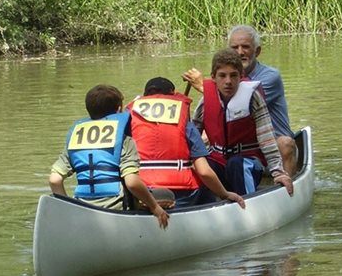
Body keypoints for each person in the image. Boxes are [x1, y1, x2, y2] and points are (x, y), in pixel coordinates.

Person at [48, 84, 169, 229]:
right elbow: (132, 183)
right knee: (168, 196)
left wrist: (68, 211)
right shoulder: (124, 141)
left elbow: (55, 180)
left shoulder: (76, 141)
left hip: (82, 206)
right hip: (116, 210)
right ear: (118, 109)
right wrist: (155, 208)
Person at [183, 25, 297, 176]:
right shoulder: (223, 81)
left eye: (246, 47)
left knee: (285, 143)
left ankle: (287, 189)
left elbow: (240, 103)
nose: (239, 52)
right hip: (240, 147)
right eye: (234, 47)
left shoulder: (270, 77)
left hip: (272, 148)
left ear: (257, 51)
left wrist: (203, 86)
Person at [127, 76, 245, 210]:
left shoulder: (129, 122)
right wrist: (224, 194)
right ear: (172, 95)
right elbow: (204, 171)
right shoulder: (185, 124)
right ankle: (209, 217)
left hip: (141, 189)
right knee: (205, 183)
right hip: (182, 192)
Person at [191, 49, 293, 197]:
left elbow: (267, 139)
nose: (228, 81)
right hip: (218, 162)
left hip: (248, 162)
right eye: (222, 76)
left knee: (237, 164)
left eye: (233, 75)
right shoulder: (206, 101)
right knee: (203, 166)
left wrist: (278, 172)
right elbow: (193, 137)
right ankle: (203, 206)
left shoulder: (253, 97)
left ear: (241, 76)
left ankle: (247, 205)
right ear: (213, 78)